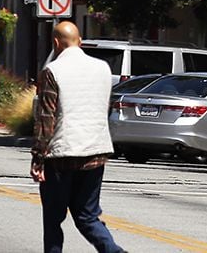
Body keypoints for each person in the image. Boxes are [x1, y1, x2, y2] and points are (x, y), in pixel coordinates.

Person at [30, 20, 125, 253]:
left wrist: (38, 158)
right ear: (80, 41)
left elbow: (46, 119)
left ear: (55, 43)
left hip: (62, 155)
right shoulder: (103, 68)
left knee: (53, 220)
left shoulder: (52, 71)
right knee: (87, 215)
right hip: (95, 151)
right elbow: (106, 107)